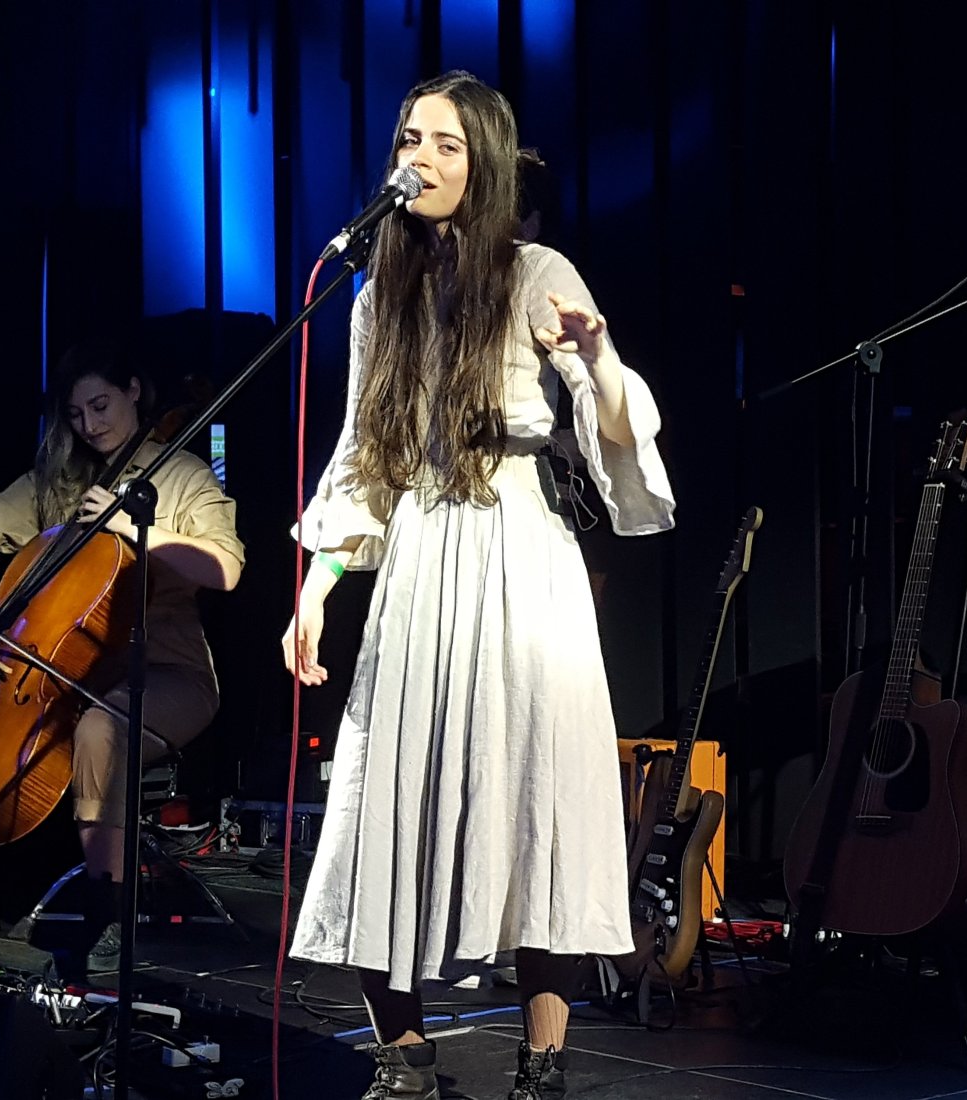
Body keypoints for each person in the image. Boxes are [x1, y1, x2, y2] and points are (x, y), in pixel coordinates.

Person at [282, 70, 675, 1100]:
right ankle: (403, 1055)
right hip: (421, 552)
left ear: (486, 162)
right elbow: (363, 458)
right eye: (410, 139)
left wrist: (596, 360)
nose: (420, 158)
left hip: (519, 548)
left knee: (538, 790)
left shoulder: (539, 269)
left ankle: (541, 1062)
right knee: (388, 793)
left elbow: (611, 426)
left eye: (446, 144)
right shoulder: (376, 295)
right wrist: (317, 587)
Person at [0, 339, 245, 978]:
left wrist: (133, 529)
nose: (90, 426)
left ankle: (109, 909)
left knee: (102, 727)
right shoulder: (62, 482)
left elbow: (226, 568)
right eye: (75, 415)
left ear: (133, 391)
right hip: (62, 672)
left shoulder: (181, 474)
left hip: (167, 673)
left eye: (100, 406)